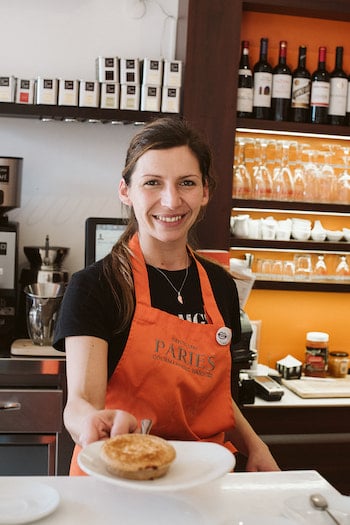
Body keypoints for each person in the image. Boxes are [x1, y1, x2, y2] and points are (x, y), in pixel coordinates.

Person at [53, 116, 279, 475]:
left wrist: (256, 445)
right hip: (119, 471)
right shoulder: (97, 286)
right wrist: (90, 423)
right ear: (126, 191)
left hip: (203, 476)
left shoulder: (221, 286)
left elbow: (216, 397)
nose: (171, 200)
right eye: (152, 183)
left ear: (205, 191)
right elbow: (80, 401)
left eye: (186, 183)